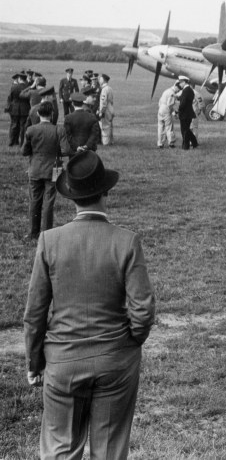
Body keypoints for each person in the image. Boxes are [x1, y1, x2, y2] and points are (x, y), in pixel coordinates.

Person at [23, 150, 155, 460]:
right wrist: (129, 341)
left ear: (71, 197)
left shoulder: (49, 241)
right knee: (109, 450)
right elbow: (143, 309)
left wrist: (34, 362)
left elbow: (34, 314)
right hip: (116, 360)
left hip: (63, 360)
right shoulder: (126, 241)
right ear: (106, 192)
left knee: (59, 450)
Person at [22, 102, 62, 238]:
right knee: (49, 202)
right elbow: (67, 149)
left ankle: (33, 232)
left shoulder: (31, 130)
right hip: (54, 169)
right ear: (52, 114)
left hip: (35, 169)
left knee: (34, 201)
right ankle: (46, 233)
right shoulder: (58, 130)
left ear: (38, 114)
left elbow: (24, 151)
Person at [8, 72, 32, 146]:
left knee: (14, 125)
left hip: (14, 108)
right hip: (25, 109)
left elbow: (10, 98)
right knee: (23, 127)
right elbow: (29, 99)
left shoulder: (13, 87)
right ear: (25, 79)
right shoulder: (28, 87)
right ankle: (22, 143)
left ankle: (12, 142)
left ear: (19, 78)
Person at [176, 77, 199, 150]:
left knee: (185, 130)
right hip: (188, 113)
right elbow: (184, 98)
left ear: (184, 82)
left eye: (180, 82)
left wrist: (177, 110)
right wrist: (178, 98)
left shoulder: (186, 90)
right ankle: (194, 143)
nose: (180, 84)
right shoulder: (189, 90)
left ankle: (186, 146)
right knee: (186, 130)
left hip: (185, 113)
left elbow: (183, 102)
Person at [157, 81, 180, 149]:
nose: (178, 91)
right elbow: (170, 104)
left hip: (161, 109)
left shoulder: (166, 91)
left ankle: (160, 143)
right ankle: (171, 143)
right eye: (178, 89)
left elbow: (160, 101)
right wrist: (174, 112)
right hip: (166, 110)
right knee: (169, 127)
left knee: (160, 127)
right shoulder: (172, 93)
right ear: (176, 87)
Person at [97, 74, 115, 145]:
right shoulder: (110, 88)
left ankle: (106, 142)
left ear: (103, 80)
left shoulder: (104, 89)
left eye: (100, 79)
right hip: (111, 109)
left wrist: (101, 112)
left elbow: (103, 102)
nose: (99, 80)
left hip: (106, 110)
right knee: (110, 126)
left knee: (105, 126)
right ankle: (111, 141)